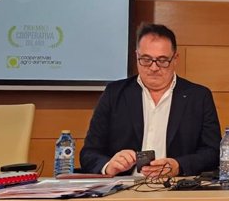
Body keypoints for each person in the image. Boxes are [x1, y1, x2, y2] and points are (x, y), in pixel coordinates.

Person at [80, 23, 221, 177]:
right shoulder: (114, 94)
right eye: (146, 59)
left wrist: (178, 166)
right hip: (122, 189)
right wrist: (108, 166)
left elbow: (213, 153)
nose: (153, 68)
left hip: (176, 188)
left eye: (162, 60)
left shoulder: (198, 97)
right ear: (136, 56)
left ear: (175, 59)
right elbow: (89, 153)